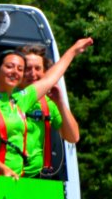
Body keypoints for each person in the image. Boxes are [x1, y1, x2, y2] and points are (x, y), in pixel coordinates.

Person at [0, 37, 93, 178]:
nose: (16, 72)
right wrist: (3, 169)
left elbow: (50, 79)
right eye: (10, 67)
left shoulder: (20, 100)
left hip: (21, 179)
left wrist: (73, 51)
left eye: (20, 69)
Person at [20, 44, 81, 178]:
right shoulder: (10, 97)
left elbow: (73, 137)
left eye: (37, 68)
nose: (33, 74)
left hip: (35, 176)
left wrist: (59, 102)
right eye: (27, 69)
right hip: (5, 173)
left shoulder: (48, 103)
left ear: (44, 72)